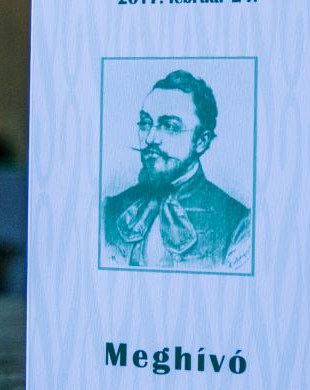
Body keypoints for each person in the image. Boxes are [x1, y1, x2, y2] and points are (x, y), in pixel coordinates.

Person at [103, 70, 250, 271]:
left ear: (201, 141)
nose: (150, 138)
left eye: (170, 126)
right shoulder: (109, 210)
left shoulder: (239, 224)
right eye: (145, 123)